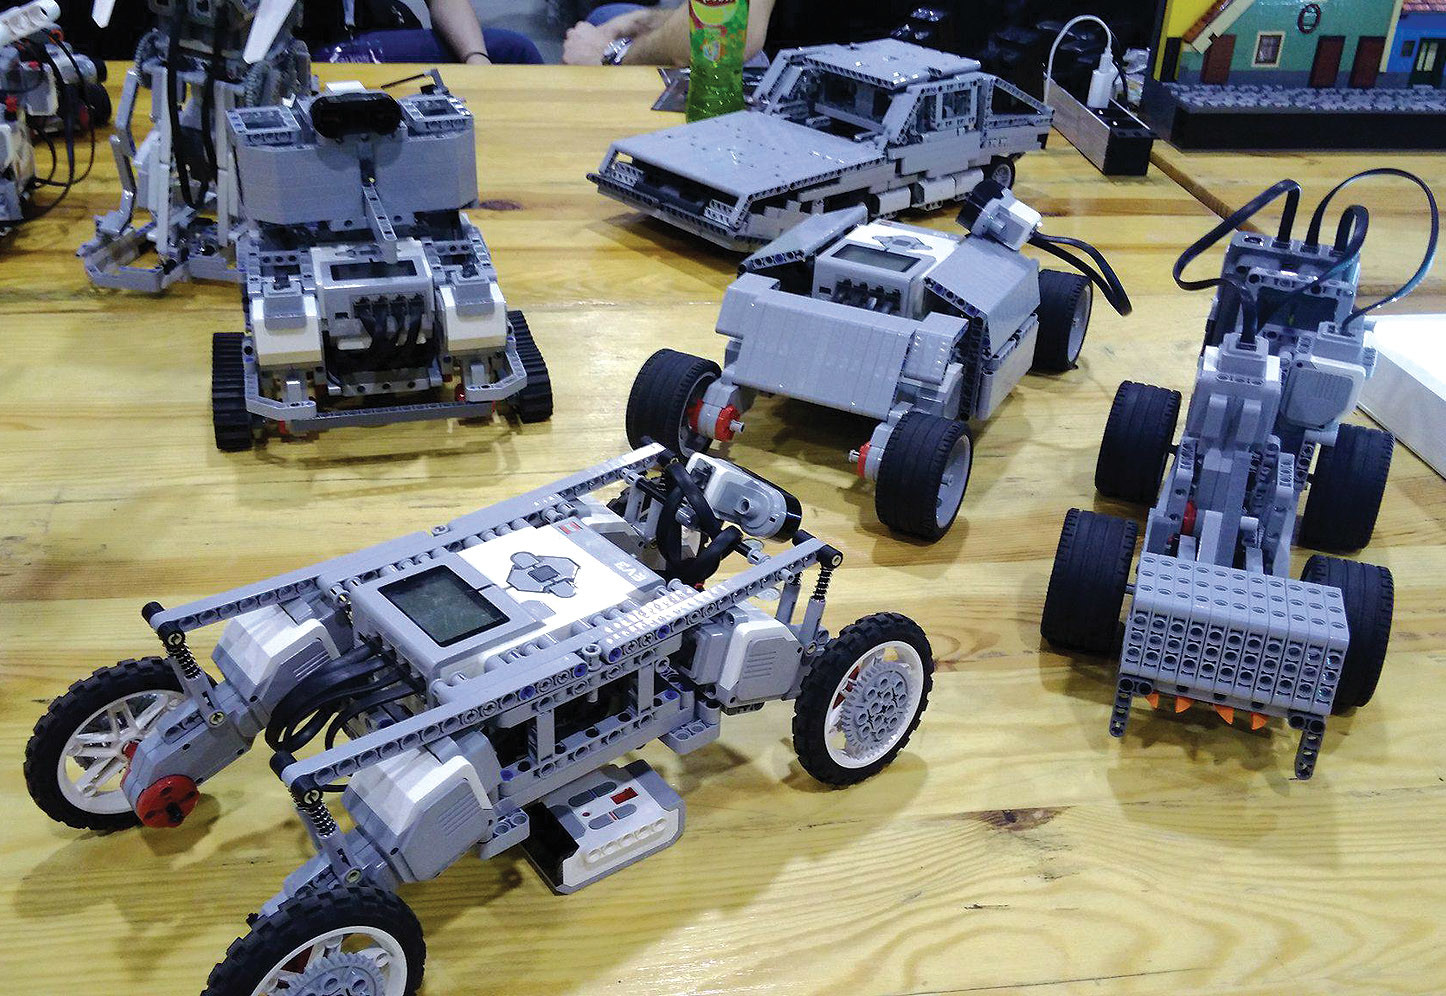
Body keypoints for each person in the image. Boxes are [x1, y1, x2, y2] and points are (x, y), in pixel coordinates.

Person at [315, 0, 545, 65]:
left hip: (371, 23)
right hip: (319, 49)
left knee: (513, 51)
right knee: (511, 51)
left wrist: (476, 57)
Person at [562, 0, 774, 65]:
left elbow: (721, 37)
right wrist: (651, 21)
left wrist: (612, 54)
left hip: (778, 85)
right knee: (607, 16)